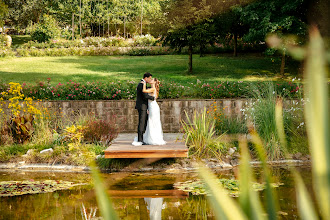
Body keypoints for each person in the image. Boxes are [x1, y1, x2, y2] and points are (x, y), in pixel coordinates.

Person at [141, 78, 166, 145]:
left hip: (153, 107)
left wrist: (144, 84)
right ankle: (152, 137)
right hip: (152, 106)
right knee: (152, 121)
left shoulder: (153, 89)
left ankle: (153, 138)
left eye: (152, 80)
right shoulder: (153, 89)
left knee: (152, 121)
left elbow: (144, 90)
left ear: (154, 82)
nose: (150, 80)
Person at [132, 73, 155, 146]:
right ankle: (140, 140)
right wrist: (153, 98)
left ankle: (143, 138)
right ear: (146, 78)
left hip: (144, 106)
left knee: (145, 122)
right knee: (141, 122)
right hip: (142, 106)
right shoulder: (141, 84)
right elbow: (145, 96)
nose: (150, 79)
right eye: (150, 78)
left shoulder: (143, 84)